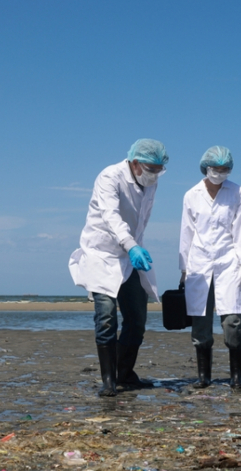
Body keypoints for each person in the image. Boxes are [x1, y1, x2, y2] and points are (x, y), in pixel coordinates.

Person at [69, 139, 168, 397]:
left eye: (159, 169)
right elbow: (111, 216)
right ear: (135, 163)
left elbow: (141, 219)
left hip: (130, 254)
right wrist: (130, 244)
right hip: (101, 254)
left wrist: (135, 246)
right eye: (151, 168)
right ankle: (108, 381)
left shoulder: (150, 183)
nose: (155, 174)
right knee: (106, 318)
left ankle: (125, 373)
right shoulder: (109, 177)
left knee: (137, 320)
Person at [178, 146, 241, 392]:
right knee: (200, 321)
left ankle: (236, 377)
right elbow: (186, 233)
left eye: (225, 170)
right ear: (205, 168)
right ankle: (204, 377)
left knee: (233, 321)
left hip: (229, 262)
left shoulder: (238, 192)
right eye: (215, 169)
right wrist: (183, 269)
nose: (220, 174)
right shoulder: (191, 195)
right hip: (198, 263)